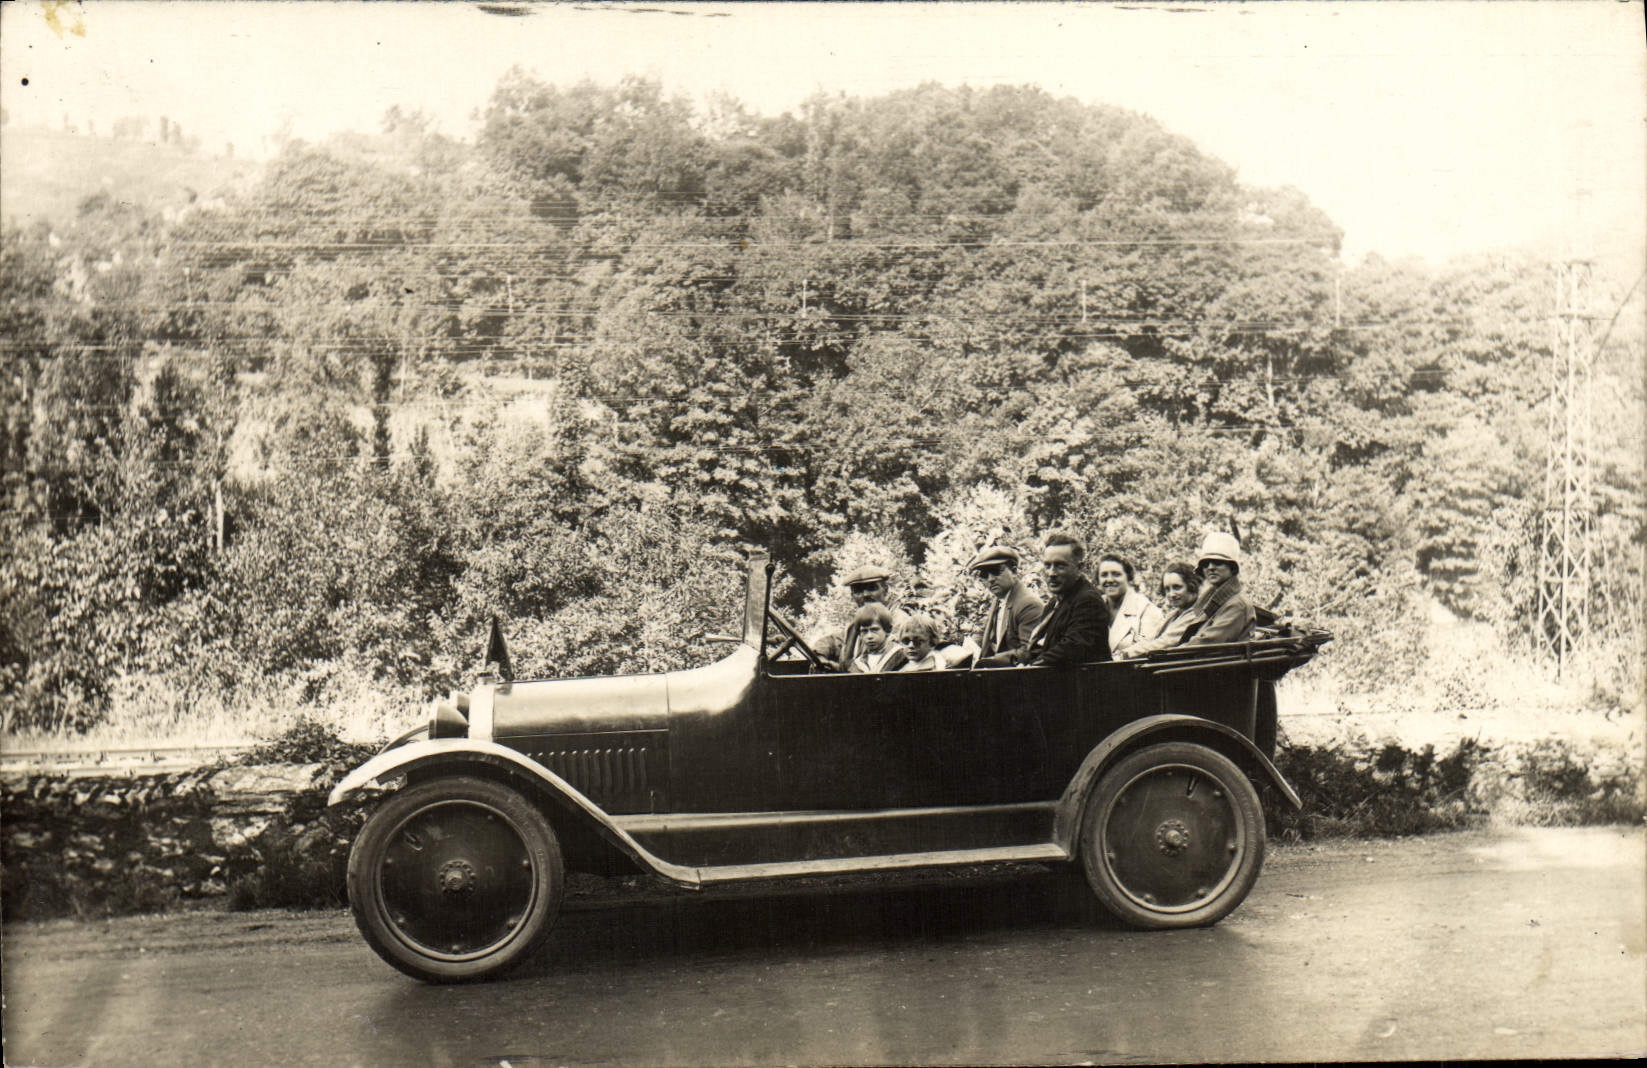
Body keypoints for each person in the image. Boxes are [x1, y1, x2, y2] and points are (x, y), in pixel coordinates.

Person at [981, 532, 1111, 667]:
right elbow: (1038, 647)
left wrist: (1031, 667)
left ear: (1080, 567)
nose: (1051, 573)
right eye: (1047, 565)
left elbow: (1072, 648)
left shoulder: (1087, 600)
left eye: (1060, 565)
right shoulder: (1054, 603)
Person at [967, 545, 1044, 661]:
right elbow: (986, 632)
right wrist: (965, 651)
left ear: (1013, 571)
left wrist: (989, 662)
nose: (990, 579)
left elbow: (1028, 652)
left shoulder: (1028, 604)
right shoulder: (1000, 599)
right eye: (984, 575)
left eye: (996, 571)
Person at [1113, 563, 1202, 660]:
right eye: (1167, 589)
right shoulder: (1173, 615)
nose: (1171, 594)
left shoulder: (1194, 614)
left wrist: (1126, 654)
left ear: (1191, 586)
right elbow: (1150, 639)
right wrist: (1123, 652)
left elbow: (1164, 642)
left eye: (1177, 587)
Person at [1182, 532, 1256, 645]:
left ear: (1232, 567)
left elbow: (1207, 643)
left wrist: (1170, 654)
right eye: (1206, 564)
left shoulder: (1237, 605)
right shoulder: (1210, 600)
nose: (1211, 568)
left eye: (1218, 562)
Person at [838, 565, 909, 668]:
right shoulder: (853, 627)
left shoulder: (900, 622)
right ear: (852, 596)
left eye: (871, 588)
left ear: (885, 590)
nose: (865, 595)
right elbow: (846, 664)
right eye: (858, 591)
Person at [1097, 553, 1166, 658]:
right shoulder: (1093, 607)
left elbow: (1147, 650)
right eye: (1104, 575)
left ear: (1129, 578)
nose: (1109, 580)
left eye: (1116, 574)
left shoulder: (1147, 610)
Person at [846, 603, 907, 673]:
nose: (869, 636)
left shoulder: (900, 656)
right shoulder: (857, 664)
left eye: (874, 630)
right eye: (864, 631)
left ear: (887, 630)